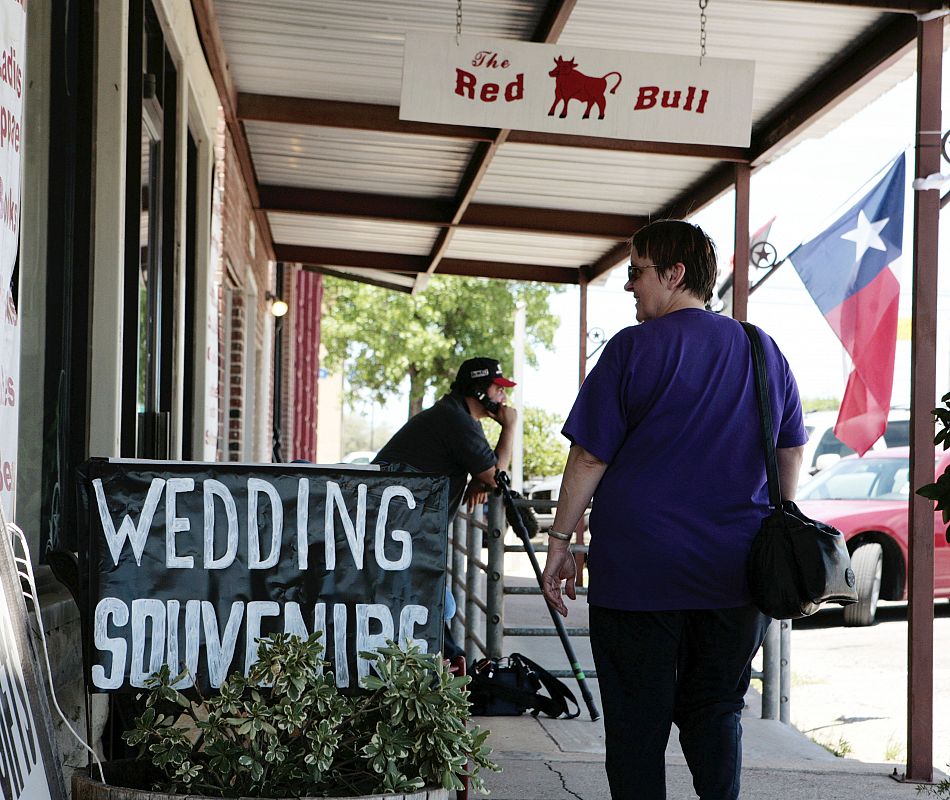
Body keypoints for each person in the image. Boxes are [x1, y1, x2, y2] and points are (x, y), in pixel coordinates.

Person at [540, 220, 806, 800]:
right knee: (716, 715)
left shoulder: (633, 349)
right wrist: (780, 513)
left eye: (636, 272)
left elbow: (588, 456)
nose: (630, 286)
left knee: (637, 728)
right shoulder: (762, 350)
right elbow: (789, 446)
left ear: (674, 273)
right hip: (734, 580)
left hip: (639, 580)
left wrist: (559, 543)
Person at [373, 357, 518, 655]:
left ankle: (440, 673)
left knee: (442, 607)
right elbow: (497, 476)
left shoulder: (452, 415)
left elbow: (488, 475)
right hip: (400, 536)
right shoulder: (457, 421)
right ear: (478, 390)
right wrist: (510, 428)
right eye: (498, 388)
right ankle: (442, 679)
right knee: (436, 610)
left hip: (402, 533)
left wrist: (478, 479)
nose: (503, 397)